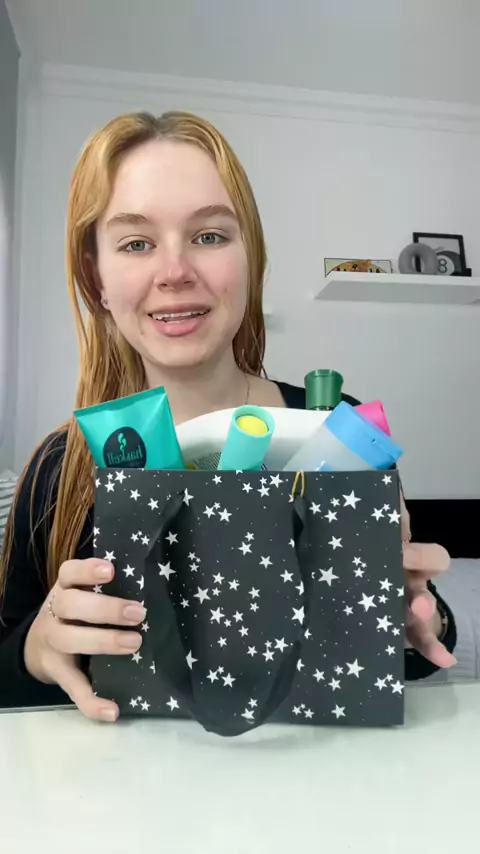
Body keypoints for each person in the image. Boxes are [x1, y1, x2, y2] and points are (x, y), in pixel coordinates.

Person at [0, 111, 456, 722]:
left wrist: (422, 616)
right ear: (96, 278)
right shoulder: (61, 469)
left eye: (210, 236)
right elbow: (8, 670)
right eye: (136, 243)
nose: (174, 272)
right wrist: (34, 651)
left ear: (251, 260)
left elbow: (410, 645)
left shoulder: (337, 429)